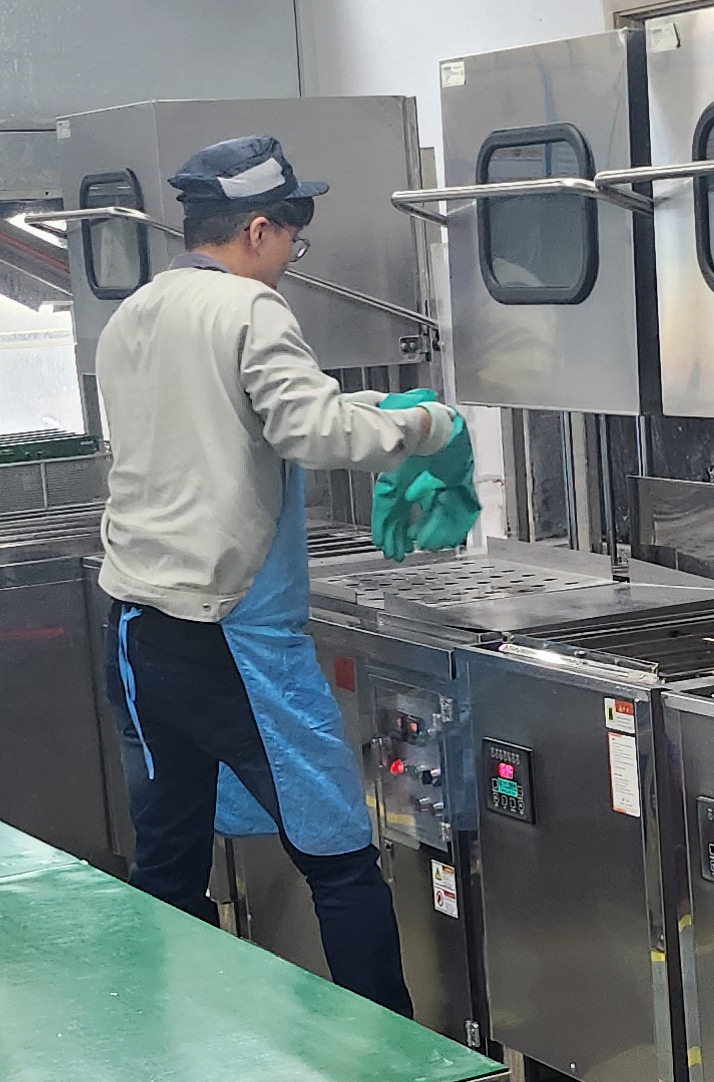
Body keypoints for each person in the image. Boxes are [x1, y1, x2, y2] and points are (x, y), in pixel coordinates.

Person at [95, 134, 466, 1014]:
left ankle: (165, 1038)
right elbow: (313, 432)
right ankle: (392, 1057)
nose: (292, 258)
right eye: (293, 240)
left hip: (137, 623)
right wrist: (426, 428)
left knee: (168, 857)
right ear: (258, 228)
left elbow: (242, 419)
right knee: (338, 855)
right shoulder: (249, 309)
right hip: (234, 632)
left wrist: (376, 405)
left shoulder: (137, 312)